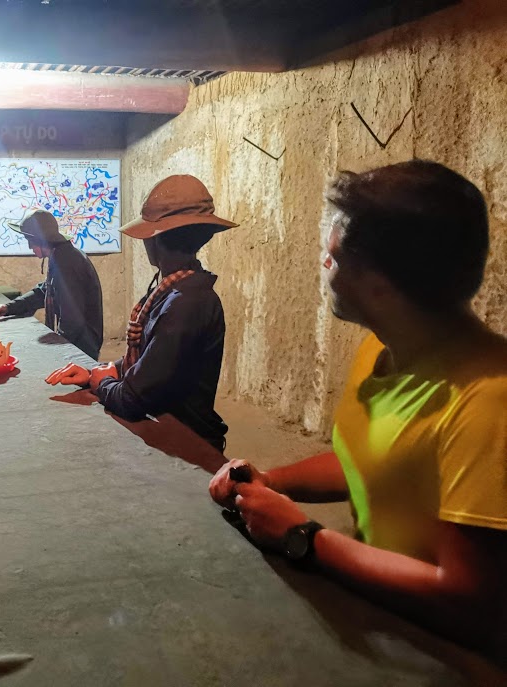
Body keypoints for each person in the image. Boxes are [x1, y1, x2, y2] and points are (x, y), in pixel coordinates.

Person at [208, 160, 506, 657]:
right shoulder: (381, 352)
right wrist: (272, 482)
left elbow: (470, 606)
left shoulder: (488, 402)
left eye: (334, 256)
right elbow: (375, 461)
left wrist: (303, 536)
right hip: (385, 623)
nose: (324, 265)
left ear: (380, 286)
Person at [45, 175, 237, 451]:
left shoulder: (186, 304)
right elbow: (153, 363)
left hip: (186, 444)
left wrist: (103, 383)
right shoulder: (177, 290)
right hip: (172, 430)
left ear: (154, 241)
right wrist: (99, 371)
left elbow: (133, 400)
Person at [0, 210, 104, 360]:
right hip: (79, 341)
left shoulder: (66, 262)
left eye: (31, 241)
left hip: (82, 347)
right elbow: (44, 291)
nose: (30, 247)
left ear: (42, 240)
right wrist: (8, 308)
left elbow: (72, 320)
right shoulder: (62, 255)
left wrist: (57, 350)